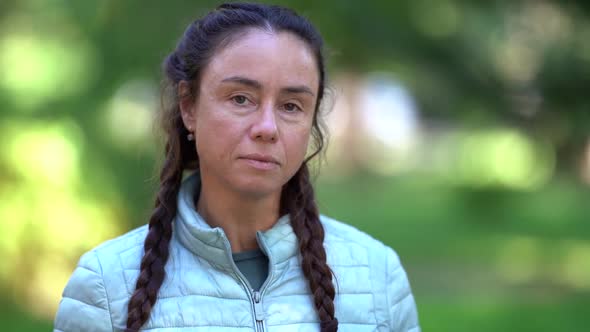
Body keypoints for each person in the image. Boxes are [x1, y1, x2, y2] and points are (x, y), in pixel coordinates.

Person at [53, 3, 420, 332]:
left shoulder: (377, 278)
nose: (267, 128)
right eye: (241, 98)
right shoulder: (106, 287)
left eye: (291, 106)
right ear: (188, 107)